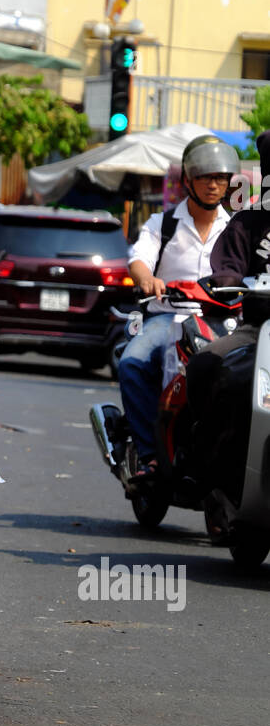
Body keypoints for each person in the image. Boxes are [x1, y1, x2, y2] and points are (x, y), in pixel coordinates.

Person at [118, 134, 239, 482]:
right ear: (188, 179)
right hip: (167, 316)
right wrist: (146, 279)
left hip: (219, 321)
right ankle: (150, 456)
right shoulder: (163, 224)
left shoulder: (234, 230)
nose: (213, 184)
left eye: (220, 177)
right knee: (132, 363)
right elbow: (139, 259)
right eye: (205, 176)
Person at [186, 130, 270, 503]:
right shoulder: (250, 220)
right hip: (258, 331)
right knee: (208, 365)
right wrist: (228, 280)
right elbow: (228, 266)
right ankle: (204, 468)